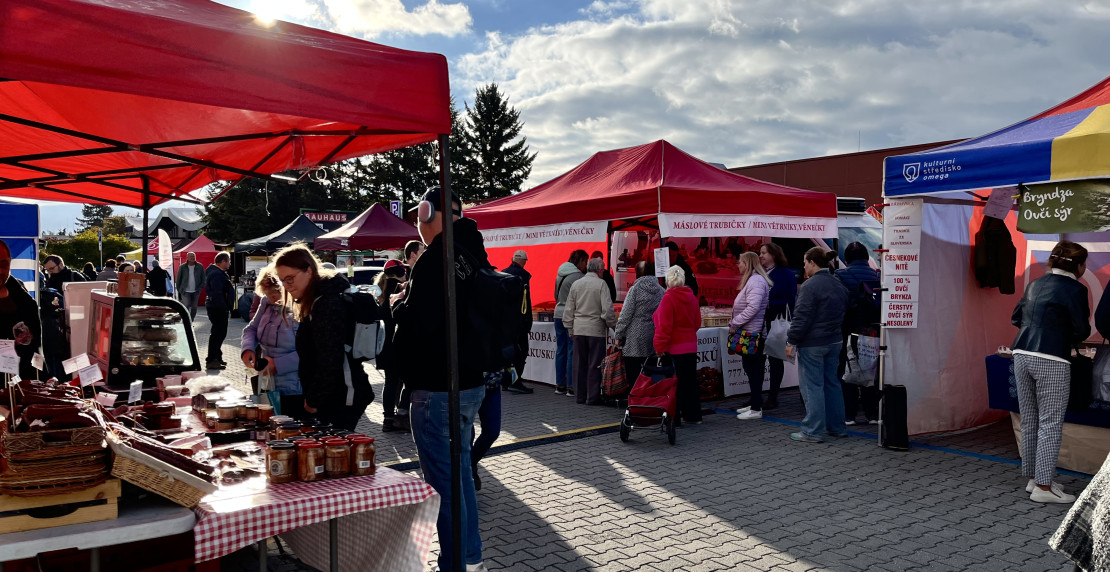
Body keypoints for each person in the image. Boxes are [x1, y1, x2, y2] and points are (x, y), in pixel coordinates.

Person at [392, 188, 488, 572]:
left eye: (418, 214)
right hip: (469, 386)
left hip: (437, 388)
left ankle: (454, 567)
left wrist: (401, 308)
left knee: (445, 488)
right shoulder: (473, 253)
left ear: (429, 213)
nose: (417, 221)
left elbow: (425, 325)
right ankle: (470, 558)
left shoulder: (436, 259)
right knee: (462, 479)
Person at [1011, 240, 1090, 504]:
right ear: (1078, 265)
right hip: (1052, 357)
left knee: (1031, 419)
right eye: (1084, 263)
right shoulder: (1076, 289)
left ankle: (1034, 479)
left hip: (1021, 353)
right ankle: (1044, 488)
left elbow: (1016, 318)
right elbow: (1081, 329)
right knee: (1050, 423)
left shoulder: (1035, 283)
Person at [275, 243, 374, 431]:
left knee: (335, 454)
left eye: (290, 278)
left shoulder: (326, 303)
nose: (287, 286)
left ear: (309, 271)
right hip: (338, 394)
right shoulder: (319, 299)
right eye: (282, 281)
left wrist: (314, 399)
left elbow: (330, 358)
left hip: (341, 396)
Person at [786, 247, 849, 443]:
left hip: (813, 343)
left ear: (813, 263)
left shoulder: (810, 286)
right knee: (832, 384)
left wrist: (792, 340)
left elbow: (801, 318)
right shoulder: (838, 282)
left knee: (812, 386)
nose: (804, 266)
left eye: (805, 263)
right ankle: (837, 427)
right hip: (834, 340)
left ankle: (813, 430)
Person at [241, 267, 303, 419]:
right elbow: (251, 329)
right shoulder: (266, 302)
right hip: (268, 383)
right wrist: (247, 349)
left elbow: (311, 351)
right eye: (267, 294)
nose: (272, 298)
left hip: (295, 386)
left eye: (275, 294)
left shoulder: (302, 306)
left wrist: (278, 364)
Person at [835, 242, 881, 425]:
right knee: (871, 366)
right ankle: (872, 413)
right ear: (865, 257)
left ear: (847, 259)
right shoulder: (877, 275)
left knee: (848, 368)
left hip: (848, 328)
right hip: (872, 330)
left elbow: (838, 304)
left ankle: (849, 414)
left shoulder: (840, 276)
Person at [563, 257, 617, 406]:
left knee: (579, 363)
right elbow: (607, 311)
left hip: (579, 329)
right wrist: (614, 327)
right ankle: (592, 397)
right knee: (595, 364)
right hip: (596, 330)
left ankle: (580, 396)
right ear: (599, 270)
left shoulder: (576, 284)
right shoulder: (601, 284)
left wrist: (570, 327)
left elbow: (569, 309)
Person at [653, 265, 702, 425]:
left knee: (675, 384)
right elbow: (697, 323)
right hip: (691, 346)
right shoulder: (692, 297)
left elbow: (664, 327)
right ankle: (694, 416)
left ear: (667, 281)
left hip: (674, 348)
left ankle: (676, 417)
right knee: (691, 382)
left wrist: (659, 348)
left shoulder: (668, 298)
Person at [732, 251, 772, 420]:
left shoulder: (756, 281)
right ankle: (755, 402)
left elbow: (753, 308)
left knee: (754, 370)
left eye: (740, 262)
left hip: (753, 334)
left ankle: (756, 408)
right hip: (751, 332)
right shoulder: (754, 280)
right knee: (751, 370)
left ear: (747, 264)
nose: (738, 265)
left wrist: (735, 323)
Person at [614, 261, 663, 397]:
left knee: (633, 372)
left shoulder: (635, 290)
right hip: (652, 335)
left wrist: (618, 335)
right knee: (648, 371)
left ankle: (635, 399)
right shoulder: (661, 290)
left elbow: (625, 315)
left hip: (634, 337)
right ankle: (648, 398)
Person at [759, 242, 796, 410]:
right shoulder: (760, 273)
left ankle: (773, 397)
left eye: (764, 253)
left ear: (774, 255)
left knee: (774, 360)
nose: (760, 256)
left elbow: (790, 299)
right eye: (760, 253)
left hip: (776, 322)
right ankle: (756, 395)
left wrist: (767, 303)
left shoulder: (786, 274)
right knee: (757, 361)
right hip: (760, 323)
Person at [375, 259, 410, 433]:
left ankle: (388, 419)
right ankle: (402, 414)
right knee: (409, 381)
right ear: (399, 273)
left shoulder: (379, 290)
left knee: (390, 382)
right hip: (399, 344)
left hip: (383, 345)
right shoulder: (401, 289)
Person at [0, 240, 41, 380]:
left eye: (3, 264)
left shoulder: (22, 296)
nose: (0, 270)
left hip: (23, 383)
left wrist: (42, 378)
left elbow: (36, 345)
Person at [553, 249, 588, 396]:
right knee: (572, 351)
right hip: (570, 315)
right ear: (579, 261)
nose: (586, 265)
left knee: (561, 350)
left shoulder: (560, 273)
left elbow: (555, 295)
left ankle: (559, 384)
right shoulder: (578, 277)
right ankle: (571, 386)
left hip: (557, 313)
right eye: (585, 261)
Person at [501, 250, 534, 394]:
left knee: (508, 353)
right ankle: (516, 381)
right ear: (522, 261)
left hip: (505, 323)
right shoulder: (523, 276)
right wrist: (528, 321)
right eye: (525, 261)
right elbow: (525, 303)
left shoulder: (502, 273)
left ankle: (506, 380)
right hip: (519, 322)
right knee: (522, 352)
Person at [204, 252, 233, 370]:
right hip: (218, 308)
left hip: (215, 307)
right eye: (229, 261)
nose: (230, 264)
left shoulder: (216, 272)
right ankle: (212, 359)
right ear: (223, 262)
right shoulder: (217, 274)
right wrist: (224, 308)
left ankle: (216, 357)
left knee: (218, 333)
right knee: (218, 334)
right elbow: (217, 293)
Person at [176, 252, 204, 320]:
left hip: (196, 291)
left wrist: (200, 288)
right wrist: (179, 290)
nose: (193, 258)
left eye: (194, 256)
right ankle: (186, 320)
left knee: (194, 307)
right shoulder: (182, 267)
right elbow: (178, 279)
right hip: (185, 291)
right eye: (191, 256)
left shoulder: (199, 266)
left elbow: (203, 279)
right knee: (186, 306)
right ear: (187, 258)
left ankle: (191, 321)